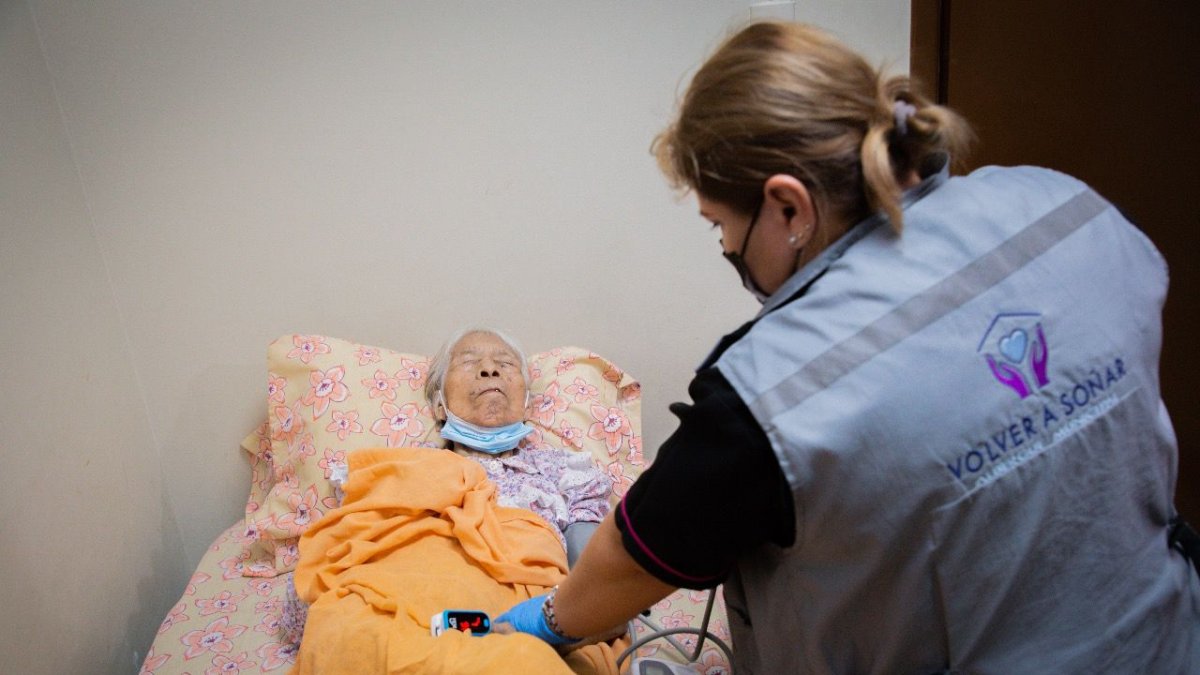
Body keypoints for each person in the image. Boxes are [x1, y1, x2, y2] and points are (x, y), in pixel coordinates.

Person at [497, 20, 1199, 672]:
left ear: (789, 207)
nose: (723, 247)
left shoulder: (770, 395)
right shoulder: (1068, 206)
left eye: (720, 226)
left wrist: (550, 619)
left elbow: (635, 554)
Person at [282, 327, 612, 651]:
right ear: (440, 406)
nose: (489, 368)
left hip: (516, 622)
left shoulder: (566, 474)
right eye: (469, 362)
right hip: (401, 603)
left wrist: (559, 624)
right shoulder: (398, 468)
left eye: (506, 363)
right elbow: (337, 554)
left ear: (527, 404)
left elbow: (596, 583)